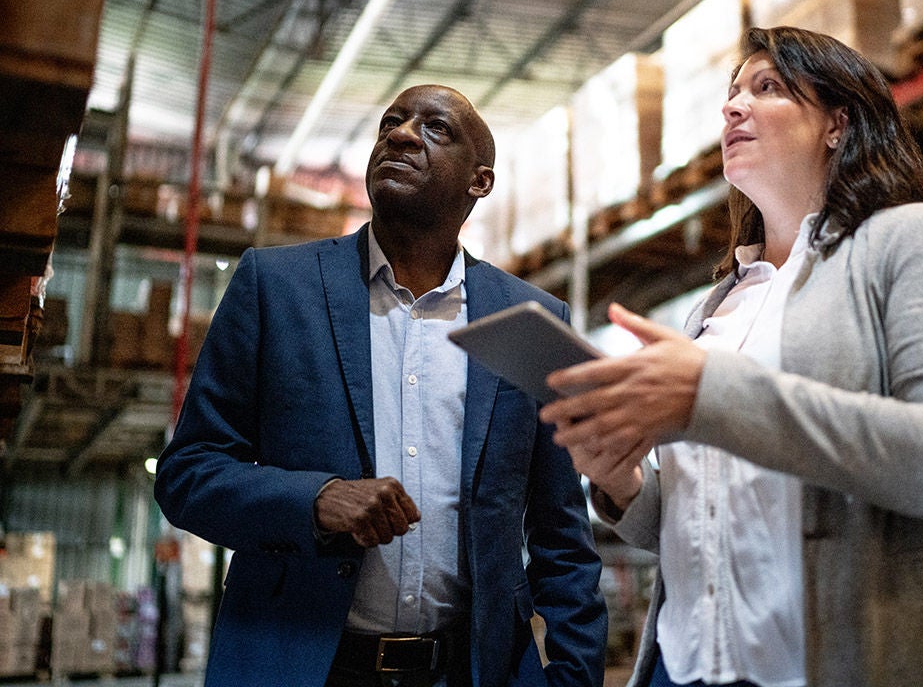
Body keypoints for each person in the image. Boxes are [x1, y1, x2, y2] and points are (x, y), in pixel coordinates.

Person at [540, 27, 923, 687]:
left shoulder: (915, 240)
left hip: (839, 663)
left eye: (766, 87)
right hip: (688, 664)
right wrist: (626, 484)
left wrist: (708, 394)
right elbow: (715, 522)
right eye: (731, 92)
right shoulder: (716, 307)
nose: (732, 107)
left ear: (839, 123)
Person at [154, 84, 608, 687]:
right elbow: (189, 473)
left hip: (470, 673)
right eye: (391, 122)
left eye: (435, 129)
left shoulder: (527, 320)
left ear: (480, 182)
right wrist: (316, 499)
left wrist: (573, 677)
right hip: (302, 666)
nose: (399, 134)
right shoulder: (275, 288)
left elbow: (560, 532)